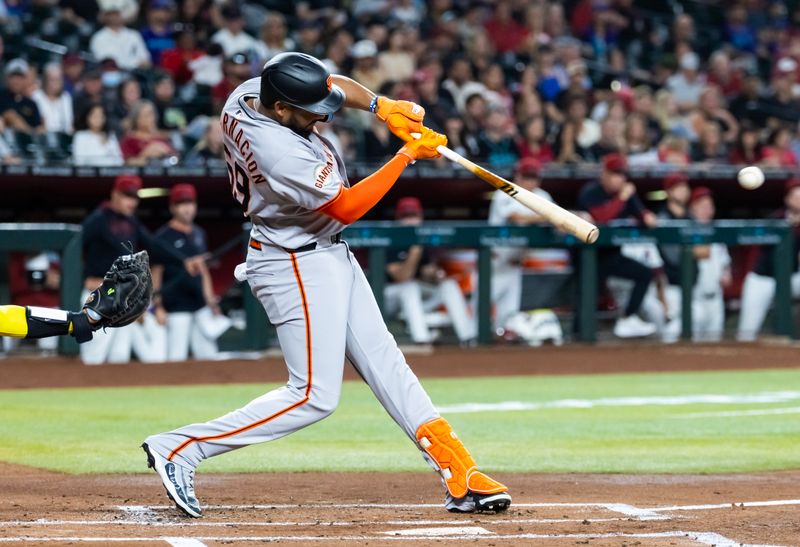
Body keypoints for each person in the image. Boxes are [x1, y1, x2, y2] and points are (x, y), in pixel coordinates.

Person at [142, 52, 511, 518]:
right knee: (314, 395)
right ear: (280, 110)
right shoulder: (278, 151)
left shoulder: (251, 94)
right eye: (311, 110)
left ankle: (460, 472)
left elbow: (331, 83)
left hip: (326, 252)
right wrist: (405, 156)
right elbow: (345, 207)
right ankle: (181, 448)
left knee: (386, 363)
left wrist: (382, 106)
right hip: (292, 262)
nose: (323, 115)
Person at [80, 175, 201, 364]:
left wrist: (183, 261)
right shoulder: (98, 220)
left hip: (122, 296)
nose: (132, 202)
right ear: (115, 194)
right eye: (127, 196)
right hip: (99, 293)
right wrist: (83, 278)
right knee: (95, 355)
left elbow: (154, 247)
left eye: (135, 197)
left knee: (119, 356)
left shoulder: (132, 223)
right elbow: (75, 248)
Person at [576, 153, 658, 338]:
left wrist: (647, 216)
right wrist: (621, 198)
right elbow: (601, 219)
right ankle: (579, 336)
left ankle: (628, 318)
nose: (619, 179)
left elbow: (642, 215)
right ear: (604, 173)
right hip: (589, 256)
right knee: (587, 296)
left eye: (621, 174)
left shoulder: (626, 194)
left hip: (612, 255)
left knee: (644, 273)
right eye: (614, 173)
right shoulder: (591, 192)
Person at [384, 197, 477, 344]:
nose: (410, 221)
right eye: (406, 217)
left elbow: (427, 271)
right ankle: (422, 339)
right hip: (387, 299)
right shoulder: (390, 238)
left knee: (449, 285)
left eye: (413, 216)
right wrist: (414, 252)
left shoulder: (421, 237)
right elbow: (402, 277)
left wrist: (435, 274)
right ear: (398, 218)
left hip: (412, 298)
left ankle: (468, 338)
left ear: (420, 217)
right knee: (409, 287)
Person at [152, 184, 228, 361]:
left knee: (209, 356)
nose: (187, 208)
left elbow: (204, 271)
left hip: (200, 305)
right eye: (181, 203)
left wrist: (211, 301)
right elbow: (156, 272)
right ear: (172, 207)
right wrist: (158, 306)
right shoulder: (163, 237)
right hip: (175, 306)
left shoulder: (199, 233)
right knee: (176, 357)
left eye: (190, 203)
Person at [488, 158, 560, 332]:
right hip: (494, 264)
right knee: (479, 311)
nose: (530, 182)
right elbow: (516, 218)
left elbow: (558, 219)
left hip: (515, 264)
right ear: (517, 176)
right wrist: (546, 216)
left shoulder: (542, 196)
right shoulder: (504, 191)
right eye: (526, 177)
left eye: (533, 177)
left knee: (508, 318)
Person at [737, 178, 800, 341]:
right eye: (795, 196)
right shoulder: (775, 219)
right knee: (747, 330)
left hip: (791, 279)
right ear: (787, 199)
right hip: (763, 278)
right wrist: (789, 227)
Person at [688, 187, 731, 341]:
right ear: (693, 208)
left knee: (715, 343)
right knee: (693, 343)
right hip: (695, 298)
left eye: (709, 207)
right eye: (702, 206)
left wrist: (726, 273)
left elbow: (725, 262)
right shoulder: (686, 231)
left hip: (716, 298)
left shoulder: (717, 234)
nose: (707, 211)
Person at [89, 2, 151, 71]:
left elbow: (145, 60)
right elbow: (105, 61)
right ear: (105, 16)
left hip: (135, 73)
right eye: (111, 15)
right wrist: (133, 63)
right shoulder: (98, 37)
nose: (114, 17)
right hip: (111, 73)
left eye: (117, 14)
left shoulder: (134, 35)